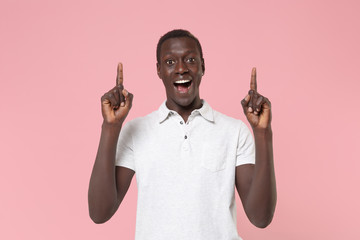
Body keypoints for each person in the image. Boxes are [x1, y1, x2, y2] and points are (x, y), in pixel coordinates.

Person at [88, 29, 276, 240]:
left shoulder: (234, 131)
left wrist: (263, 133)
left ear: (202, 67)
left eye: (190, 59)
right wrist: (110, 127)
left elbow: (261, 218)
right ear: (158, 70)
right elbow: (99, 213)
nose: (181, 68)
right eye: (170, 62)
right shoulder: (136, 131)